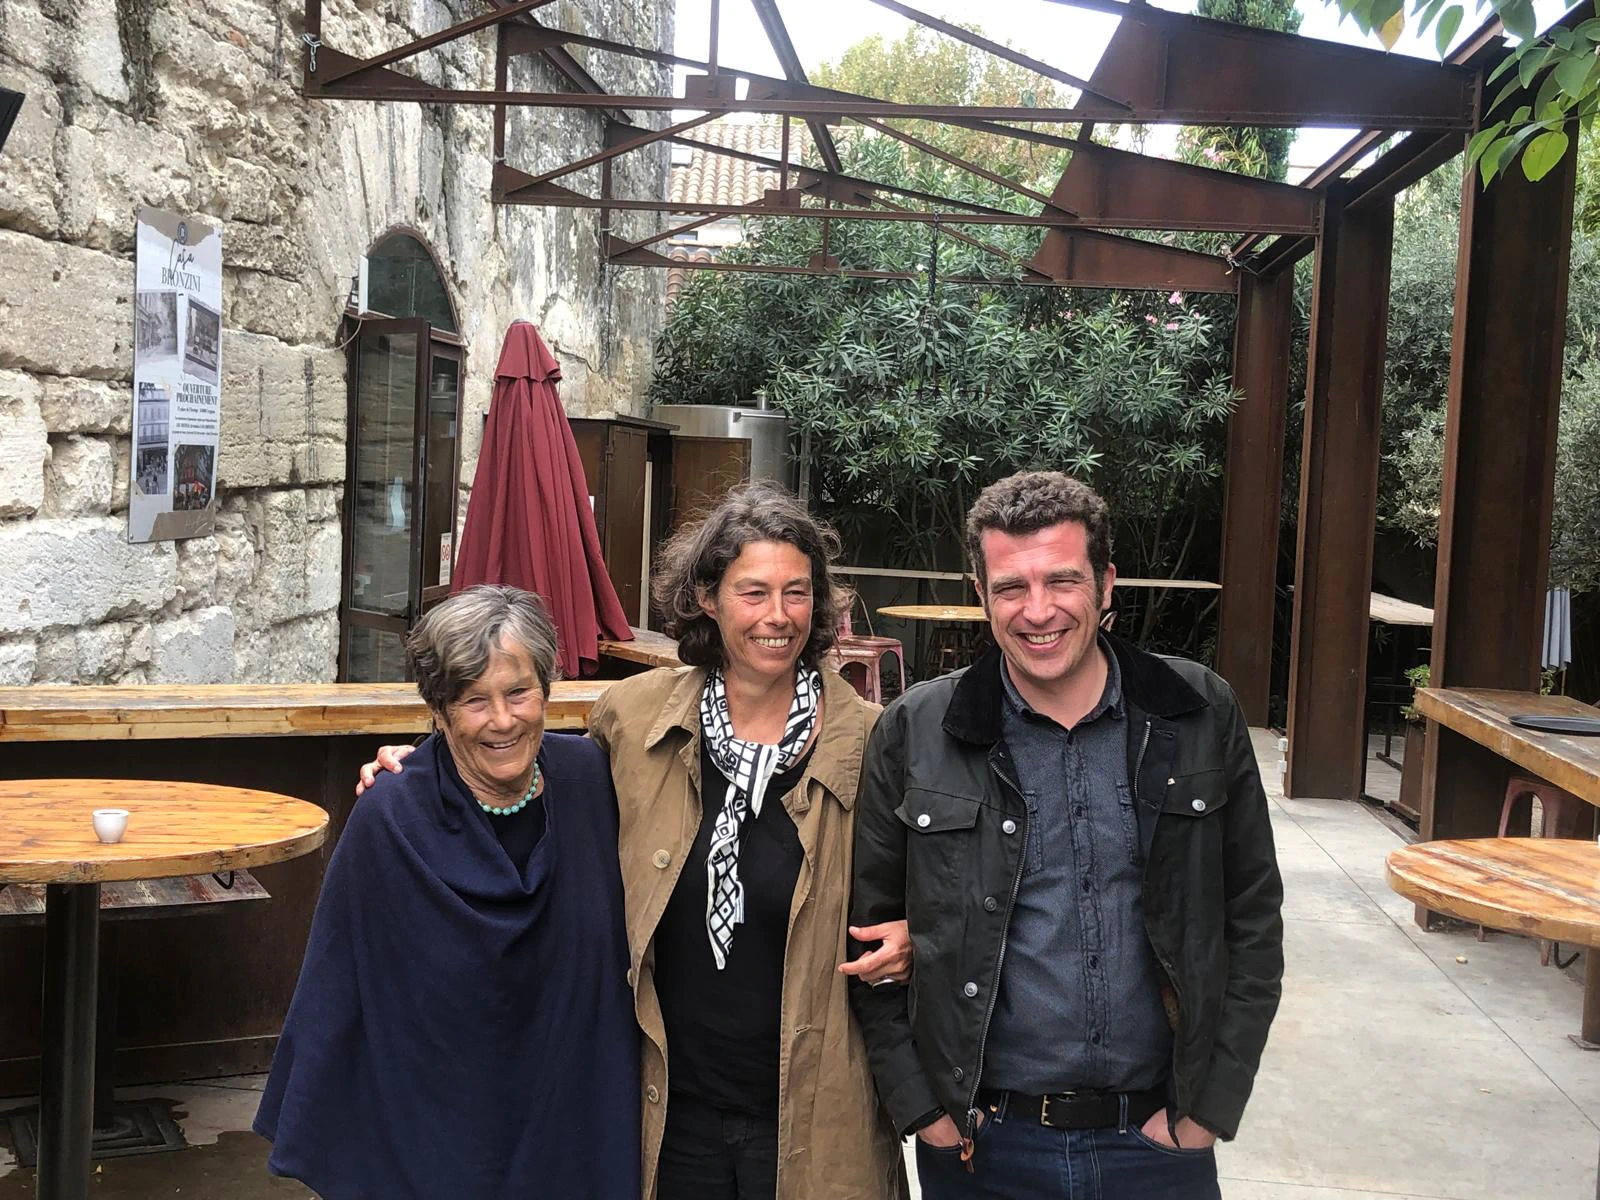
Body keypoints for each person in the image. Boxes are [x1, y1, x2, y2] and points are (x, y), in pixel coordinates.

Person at [358, 482, 909, 1200]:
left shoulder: (874, 743)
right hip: (668, 1109)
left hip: (815, 1112)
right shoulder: (632, 720)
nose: (777, 616)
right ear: (707, 597)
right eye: (753, 592)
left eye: (797, 593)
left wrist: (918, 939)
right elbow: (527, 786)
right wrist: (420, 776)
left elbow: (942, 884)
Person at [849, 470, 1284, 1199]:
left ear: (1106, 584)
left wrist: (1208, 1110)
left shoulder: (1197, 712)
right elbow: (869, 938)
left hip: (1157, 1142)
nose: (1038, 610)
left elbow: (1253, 919)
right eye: (1011, 587)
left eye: (1062, 580)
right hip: (984, 1144)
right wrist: (924, 1111)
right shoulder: (917, 731)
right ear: (981, 593)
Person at [255, 585, 639, 1200]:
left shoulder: (594, 780)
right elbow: (337, 985)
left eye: (519, 692)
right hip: (437, 1133)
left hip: (572, 1119)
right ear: (438, 710)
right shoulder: (391, 816)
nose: (503, 720)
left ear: (547, 689)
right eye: (473, 700)